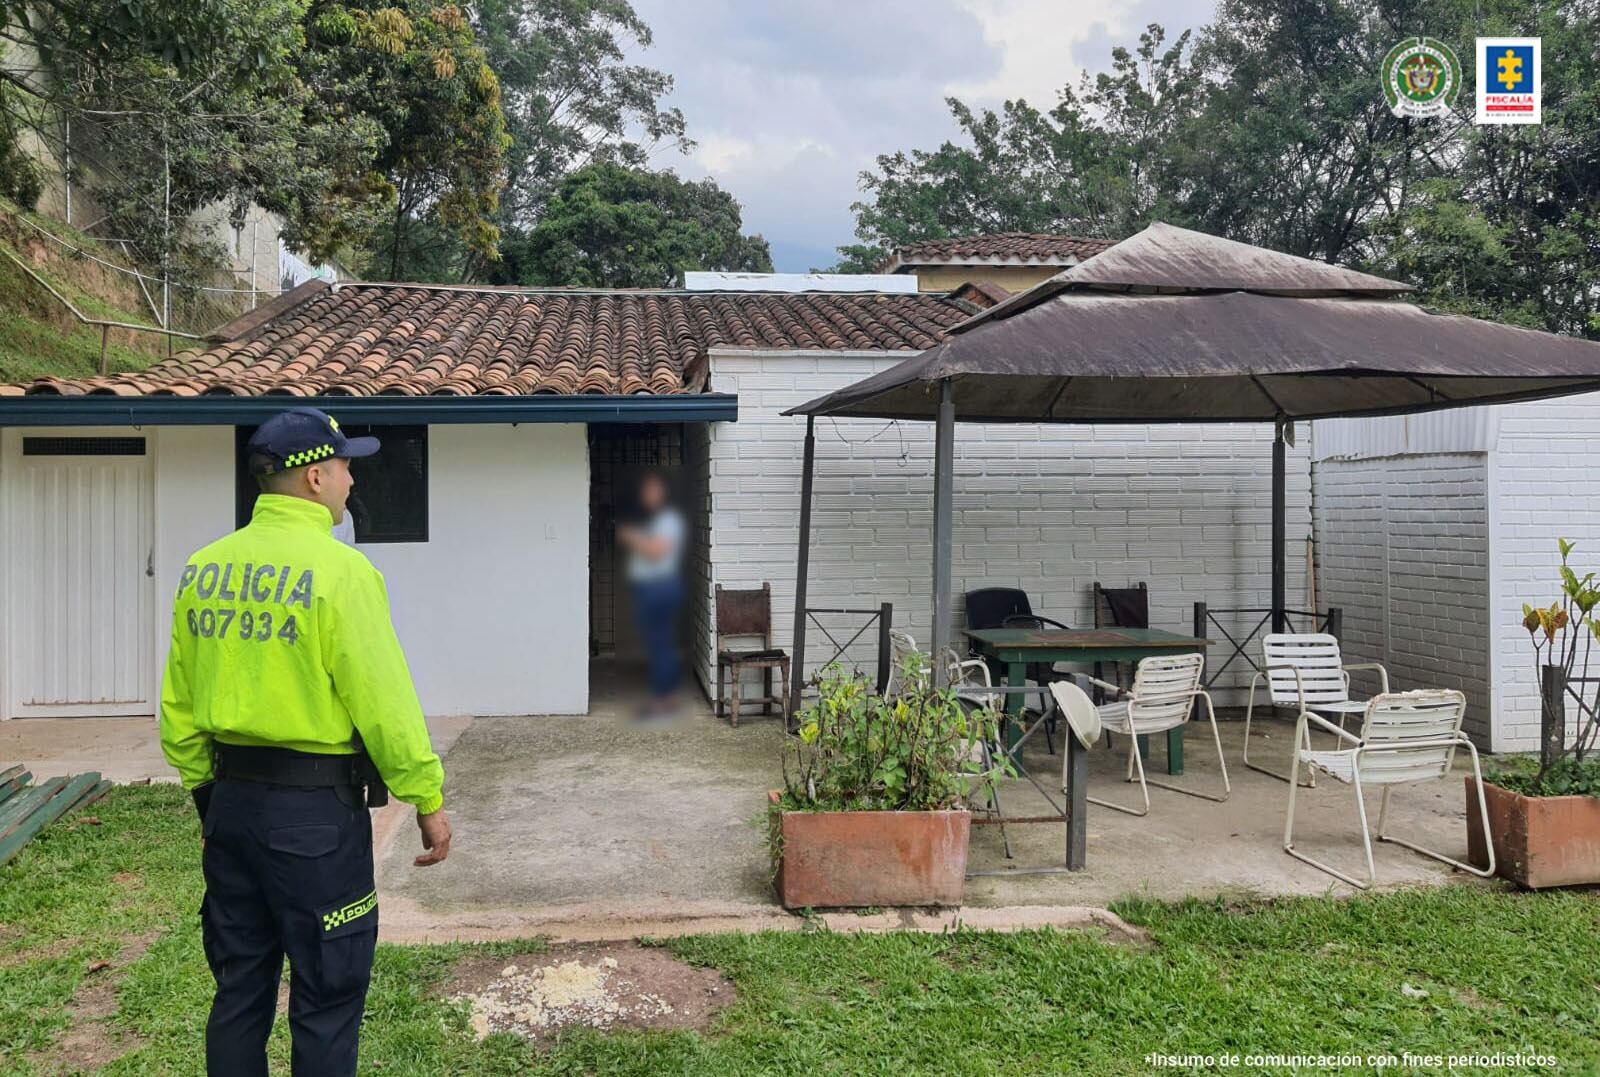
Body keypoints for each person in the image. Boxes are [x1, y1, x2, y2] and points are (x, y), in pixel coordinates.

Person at [159, 406, 451, 1076]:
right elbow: (385, 704)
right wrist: (426, 797)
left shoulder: (204, 568)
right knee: (327, 997)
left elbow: (179, 706)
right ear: (315, 476)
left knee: (239, 990)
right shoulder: (342, 573)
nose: (353, 478)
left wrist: (209, 803)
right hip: (315, 823)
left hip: (231, 809)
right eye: (346, 464)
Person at [617, 470, 686, 718]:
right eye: (645, 490)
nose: (646, 494)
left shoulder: (668, 519)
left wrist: (630, 536)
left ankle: (660, 701)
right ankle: (669, 697)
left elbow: (655, 552)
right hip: (652, 588)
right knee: (660, 642)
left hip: (659, 588)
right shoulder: (655, 520)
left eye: (651, 489)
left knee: (659, 645)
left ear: (662, 492)